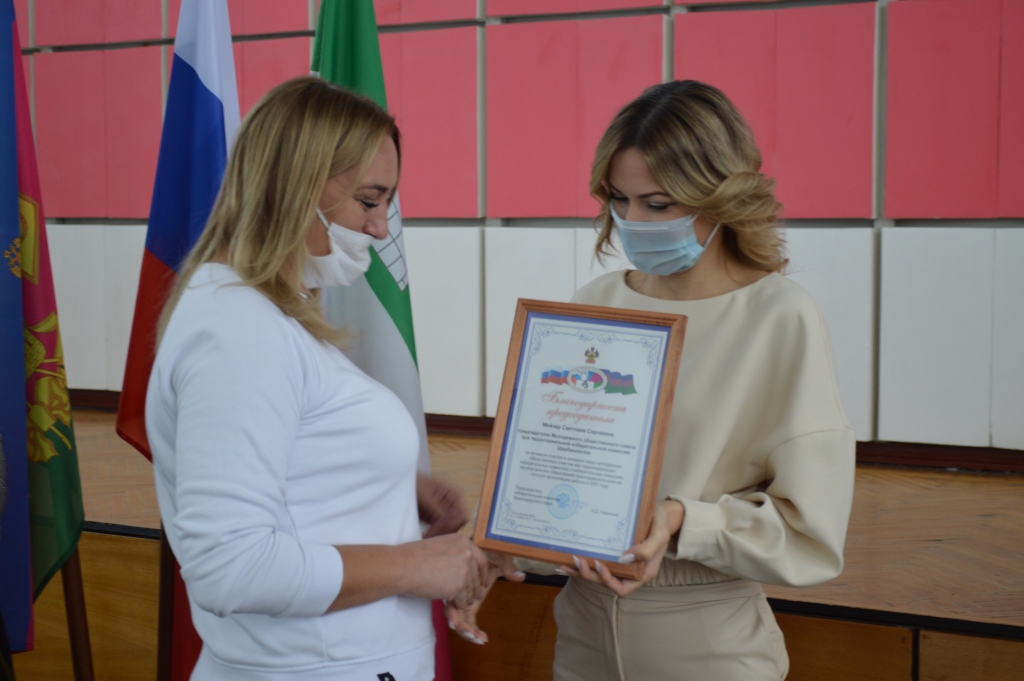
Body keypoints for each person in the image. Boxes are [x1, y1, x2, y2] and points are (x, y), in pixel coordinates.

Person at [454, 80, 856, 679]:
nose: (632, 222)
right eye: (619, 199)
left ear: (721, 196)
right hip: (582, 631)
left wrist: (682, 519)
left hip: (705, 638)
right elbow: (558, 462)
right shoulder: (596, 301)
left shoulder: (779, 317)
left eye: (659, 205)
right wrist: (496, 543)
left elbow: (810, 532)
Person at [146, 76, 502, 680]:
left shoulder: (259, 314)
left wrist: (385, 483)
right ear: (293, 183)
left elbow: (292, 472)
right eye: (369, 200)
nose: (381, 227)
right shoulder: (240, 328)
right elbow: (231, 567)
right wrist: (415, 565)